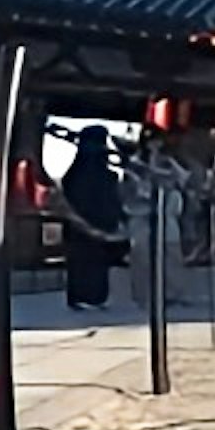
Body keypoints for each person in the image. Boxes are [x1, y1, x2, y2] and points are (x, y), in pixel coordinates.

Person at [57, 122, 128, 314]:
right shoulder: (94, 170)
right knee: (89, 261)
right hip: (90, 226)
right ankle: (89, 296)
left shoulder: (76, 171)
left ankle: (87, 296)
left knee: (88, 262)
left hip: (84, 227)